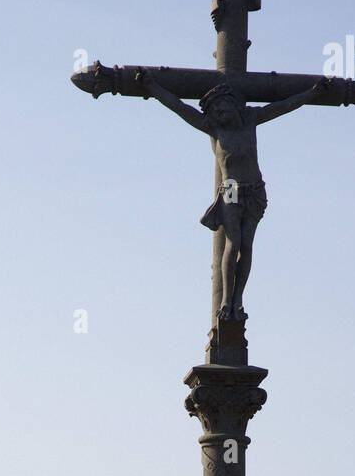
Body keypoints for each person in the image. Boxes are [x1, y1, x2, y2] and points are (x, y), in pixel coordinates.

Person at [135, 69, 329, 324]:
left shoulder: (251, 119)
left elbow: (284, 106)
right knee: (233, 243)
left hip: (255, 189)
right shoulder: (212, 127)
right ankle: (227, 299)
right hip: (230, 189)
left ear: (235, 106)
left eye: (222, 109)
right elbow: (178, 107)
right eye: (214, 111)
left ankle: (238, 299)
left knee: (247, 245)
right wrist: (152, 87)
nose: (218, 114)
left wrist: (311, 94)